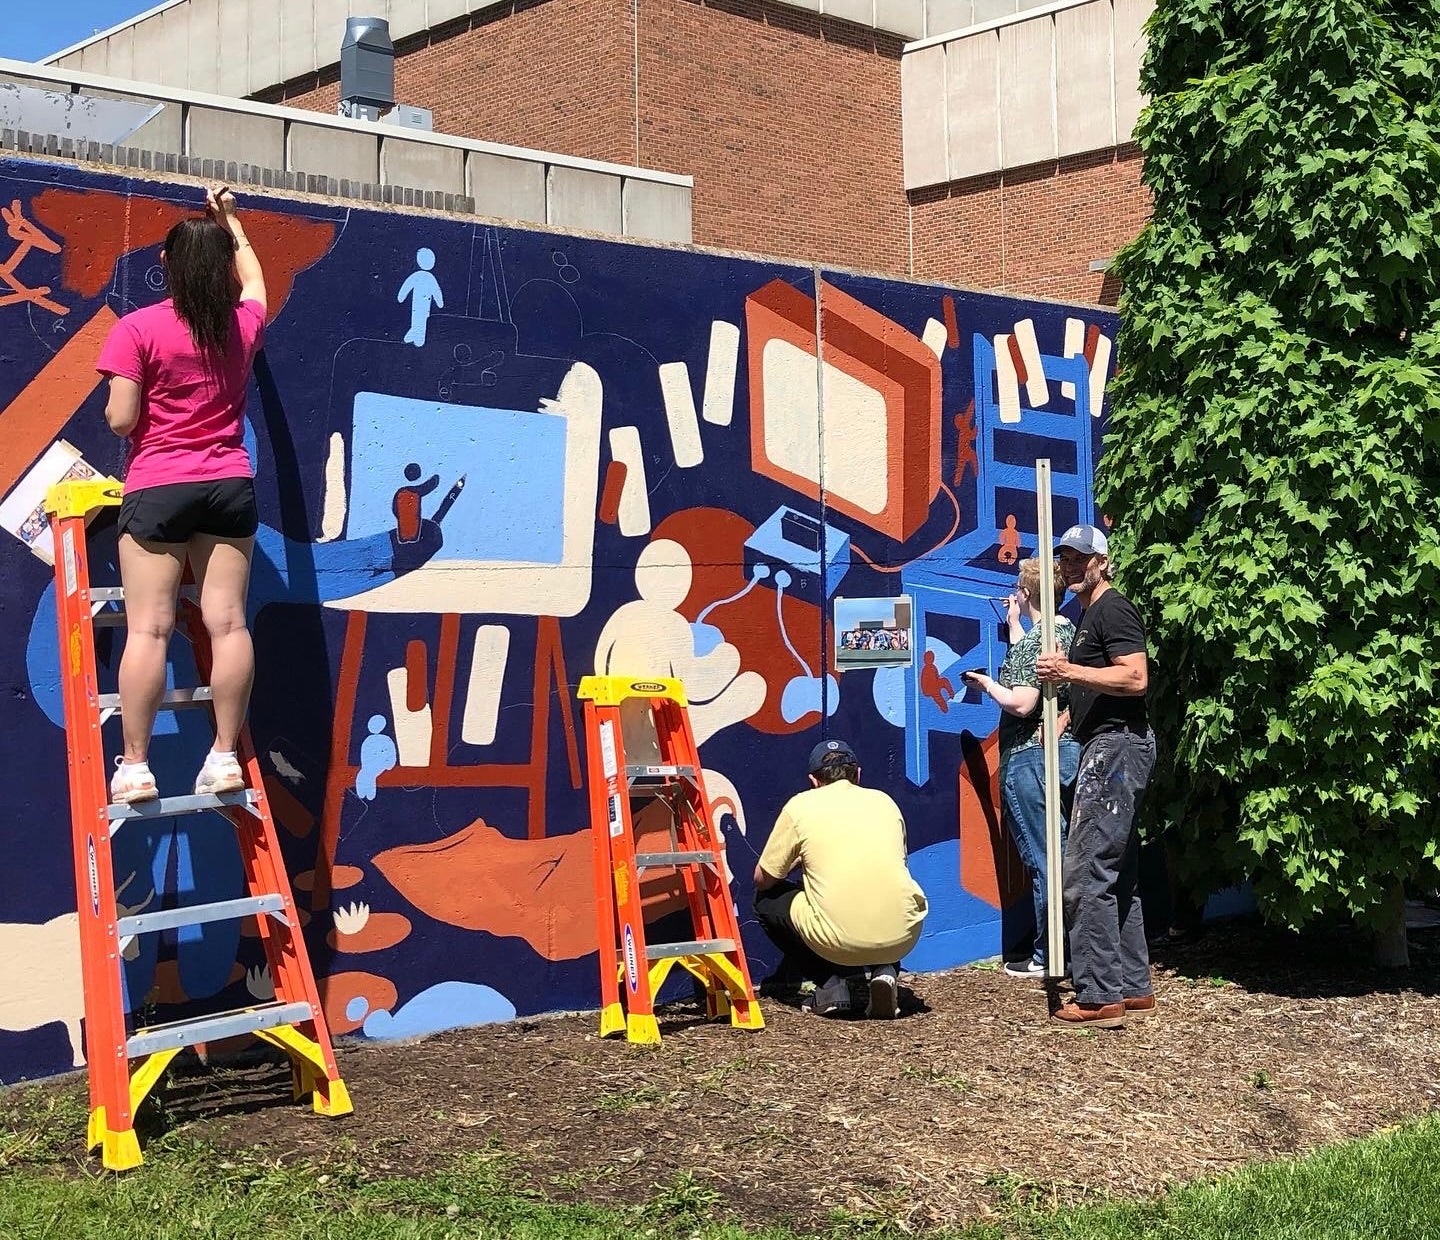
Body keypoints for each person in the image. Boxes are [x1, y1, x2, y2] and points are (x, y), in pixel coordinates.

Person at [96, 187, 267, 804]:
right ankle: (224, 757)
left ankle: (137, 767)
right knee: (227, 624)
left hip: (160, 485)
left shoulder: (137, 328)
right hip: (228, 485)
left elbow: (120, 419)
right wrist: (233, 224)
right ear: (219, 266)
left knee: (148, 630)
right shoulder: (242, 324)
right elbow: (255, 283)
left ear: (166, 264)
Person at [1036, 524, 1155, 1029]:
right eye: (1062, 558)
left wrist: (1067, 673)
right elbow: (1100, 686)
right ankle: (1131, 986)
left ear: (1101, 562)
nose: (1068, 565)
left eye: (1078, 558)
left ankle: (1098, 995)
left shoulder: (1111, 608)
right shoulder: (1086, 616)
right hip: (1111, 744)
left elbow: (1134, 676)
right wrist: (1066, 719)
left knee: (1086, 873)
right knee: (1117, 873)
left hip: (1115, 750)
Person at [962, 556, 1081, 978]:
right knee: (1066, 853)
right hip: (1067, 753)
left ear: (1026, 592)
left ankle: (1049, 956)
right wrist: (1015, 626)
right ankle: (1076, 947)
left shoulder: (1037, 642)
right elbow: (1037, 673)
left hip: (1030, 758)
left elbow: (1023, 701)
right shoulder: (1066, 630)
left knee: (1045, 859)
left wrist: (986, 683)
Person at [753, 740, 929, 1018]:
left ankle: (829, 986)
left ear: (813, 781)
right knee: (884, 887)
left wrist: (800, 861)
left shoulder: (800, 806)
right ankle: (885, 971)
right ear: (857, 774)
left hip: (837, 942)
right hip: (903, 935)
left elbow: (763, 879)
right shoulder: (885, 802)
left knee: (765, 901)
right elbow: (897, 864)